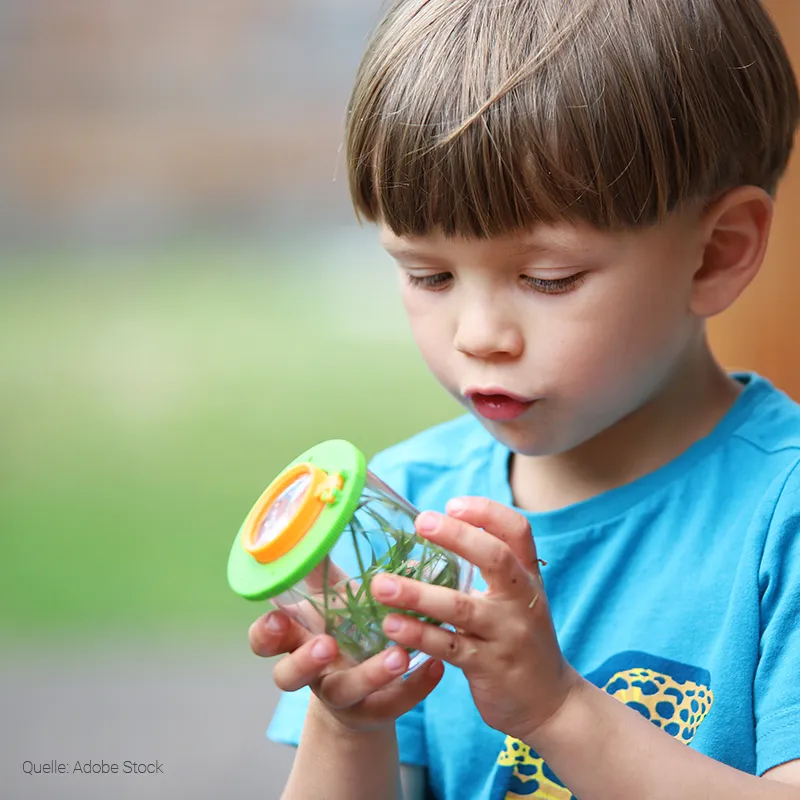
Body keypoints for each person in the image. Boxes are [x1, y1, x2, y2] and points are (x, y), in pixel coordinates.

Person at [249, 1, 800, 798]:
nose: (477, 335)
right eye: (427, 275)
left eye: (548, 278)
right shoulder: (406, 512)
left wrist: (559, 712)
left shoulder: (780, 515)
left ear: (716, 254)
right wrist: (351, 722)